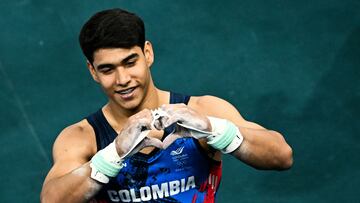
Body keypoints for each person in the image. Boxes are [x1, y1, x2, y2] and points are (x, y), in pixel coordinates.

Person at [40, 8, 293, 203]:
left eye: (130, 62)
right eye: (107, 69)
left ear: (147, 53)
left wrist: (214, 129)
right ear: (92, 71)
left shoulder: (204, 110)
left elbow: (282, 156)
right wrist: (113, 154)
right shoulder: (83, 138)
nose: (123, 80)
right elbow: (51, 199)